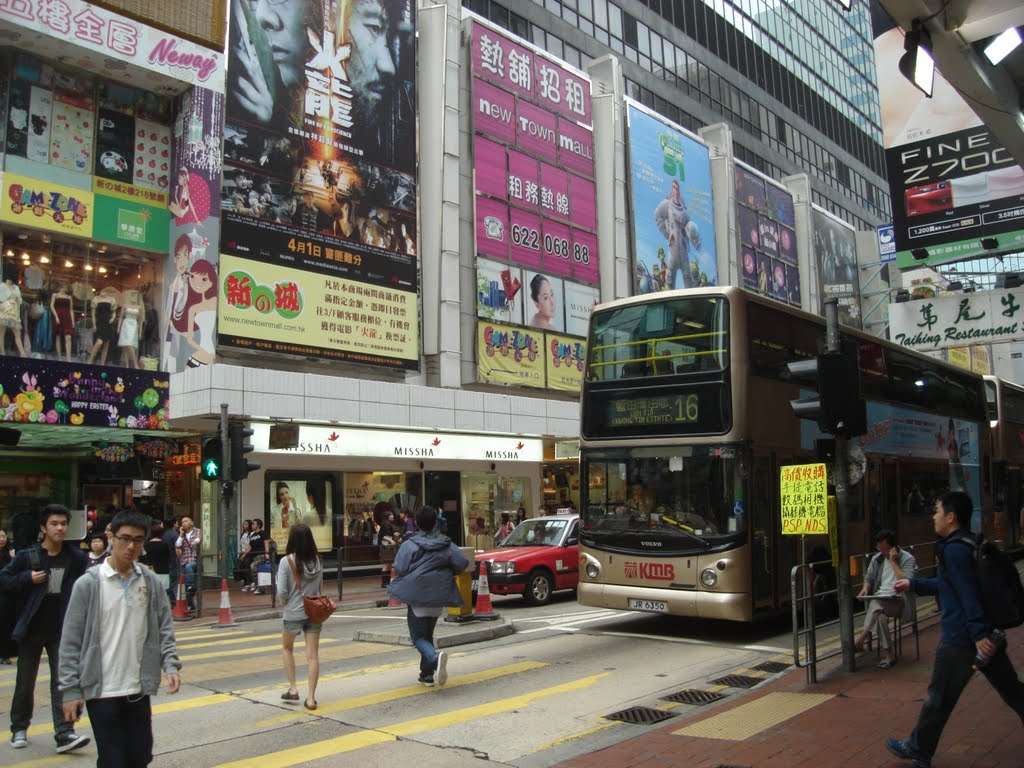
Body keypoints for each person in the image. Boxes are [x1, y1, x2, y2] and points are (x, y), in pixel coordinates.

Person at [886, 491, 1024, 768]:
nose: (933, 517)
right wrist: (914, 585)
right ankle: (919, 748)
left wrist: (978, 634)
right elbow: (949, 585)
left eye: (937, 512)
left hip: (962, 640)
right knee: (1012, 691)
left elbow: (967, 594)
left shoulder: (953, 550)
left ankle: (918, 748)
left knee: (938, 697)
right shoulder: (966, 544)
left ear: (951, 517)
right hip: (982, 636)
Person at [59, 509, 181, 767]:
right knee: (113, 760)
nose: (131, 546)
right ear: (110, 537)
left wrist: (170, 663)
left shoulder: (149, 582)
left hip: (137, 688)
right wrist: (70, 690)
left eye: (138, 540)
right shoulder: (89, 584)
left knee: (140, 757)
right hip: (102, 691)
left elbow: (163, 627)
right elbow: (71, 641)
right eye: (124, 538)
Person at [0, 505, 90, 753]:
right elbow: (4, 579)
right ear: (43, 528)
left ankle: (65, 733)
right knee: (25, 682)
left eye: (63, 523)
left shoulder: (76, 558)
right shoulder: (28, 557)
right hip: (31, 628)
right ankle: (19, 727)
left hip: (62, 628)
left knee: (62, 682)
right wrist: (26, 578)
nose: (60, 528)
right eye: (54, 523)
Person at [386, 506, 468, 687]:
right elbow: (462, 563)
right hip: (439, 596)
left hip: (417, 596)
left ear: (416, 522)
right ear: (435, 522)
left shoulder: (410, 544)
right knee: (427, 635)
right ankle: (427, 674)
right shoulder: (446, 544)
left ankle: (435, 657)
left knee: (417, 638)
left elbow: (400, 568)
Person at [855, 529, 917, 669]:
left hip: (899, 601)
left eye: (885, 549)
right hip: (882, 600)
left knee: (876, 602)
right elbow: (869, 577)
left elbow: (907, 582)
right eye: (879, 549)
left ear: (893, 547)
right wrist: (865, 587)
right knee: (880, 617)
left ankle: (862, 638)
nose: (882, 552)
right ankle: (890, 655)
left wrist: (894, 562)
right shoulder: (877, 559)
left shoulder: (907, 559)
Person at [277, 524, 323, 710]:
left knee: (287, 648)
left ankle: (294, 688)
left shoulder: (286, 561)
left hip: (293, 612)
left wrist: (286, 603)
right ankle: (311, 699)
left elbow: (282, 591)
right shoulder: (318, 560)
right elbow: (320, 587)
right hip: (314, 611)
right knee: (312, 656)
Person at [654, 179, 695, 290]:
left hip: (684, 250)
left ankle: (690, 301)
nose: (675, 190)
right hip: (673, 250)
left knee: (688, 278)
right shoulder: (667, 205)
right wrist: (666, 234)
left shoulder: (684, 211)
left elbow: (690, 229)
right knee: (670, 276)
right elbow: (657, 214)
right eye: (673, 187)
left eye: (677, 188)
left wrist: (690, 237)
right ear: (671, 190)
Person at [175, 516, 202, 612]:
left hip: (194, 560)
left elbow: (199, 539)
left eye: (186, 521)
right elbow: (177, 545)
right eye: (182, 522)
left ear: (192, 522)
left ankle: (191, 586)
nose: (183, 523)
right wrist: (181, 534)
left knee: (189, 566)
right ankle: (191, 605)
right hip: (184, 560)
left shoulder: (197, 531)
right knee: (185, 585)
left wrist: (195, 542)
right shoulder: (182, 535)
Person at [244, 519, 270, 594]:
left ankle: (260, 587)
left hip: (261, 554)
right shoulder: (252, 535)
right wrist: (244, 554)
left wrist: (267, 553)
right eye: (252, 524)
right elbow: (250, 546)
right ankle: (258, 586)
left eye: (254, 524)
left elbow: (266, 543)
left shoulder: (263, 533)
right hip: (254, 556)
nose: (252, 525)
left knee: (254, 567)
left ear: (258, 525)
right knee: (255, 570)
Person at [0, 529, 13, 664]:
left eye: (4, 536)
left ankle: (4, 654)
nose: (2, 539)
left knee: (4, 624)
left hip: (5, 594)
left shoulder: (9, 554)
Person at [378, 511, 397, 588]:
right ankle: (384, 583)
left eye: (392, 514)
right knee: (386, 564)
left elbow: (388, 534)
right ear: (387, 516)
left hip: (388, 546)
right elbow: (382, 536)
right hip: (385, 546)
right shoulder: (384, 524)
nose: (392, 516)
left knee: (389, 564)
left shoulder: (388, 524)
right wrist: (391, 540)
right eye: (391, 515)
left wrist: (394, 534)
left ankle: (387, 582)